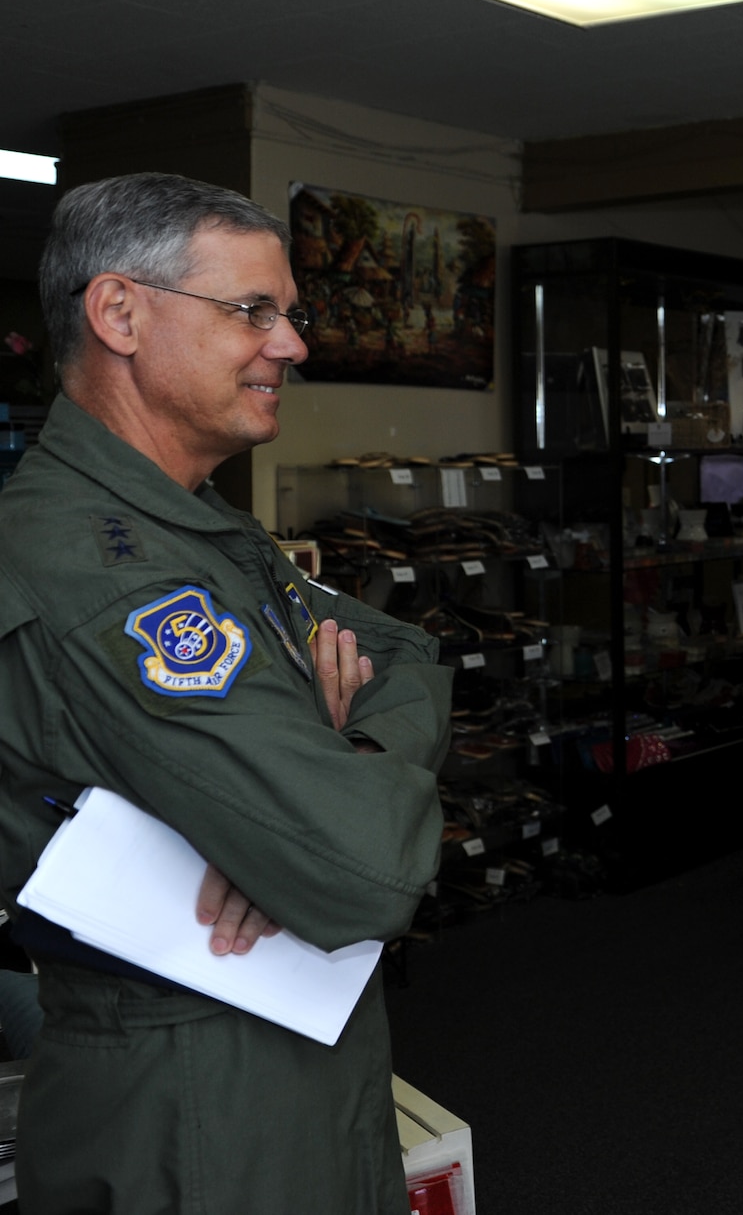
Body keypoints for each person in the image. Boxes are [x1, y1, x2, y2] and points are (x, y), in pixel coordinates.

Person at [0, 173, 451, 1210]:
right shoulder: (98, 564)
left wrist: (338, 765)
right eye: (253, 311)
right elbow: (360, 868)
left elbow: (410, 652)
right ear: (119, 313)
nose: (290, 344)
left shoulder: (201, 526)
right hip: (193, 1093)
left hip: (294, 1047)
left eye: (288, 314)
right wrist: (306, 819)